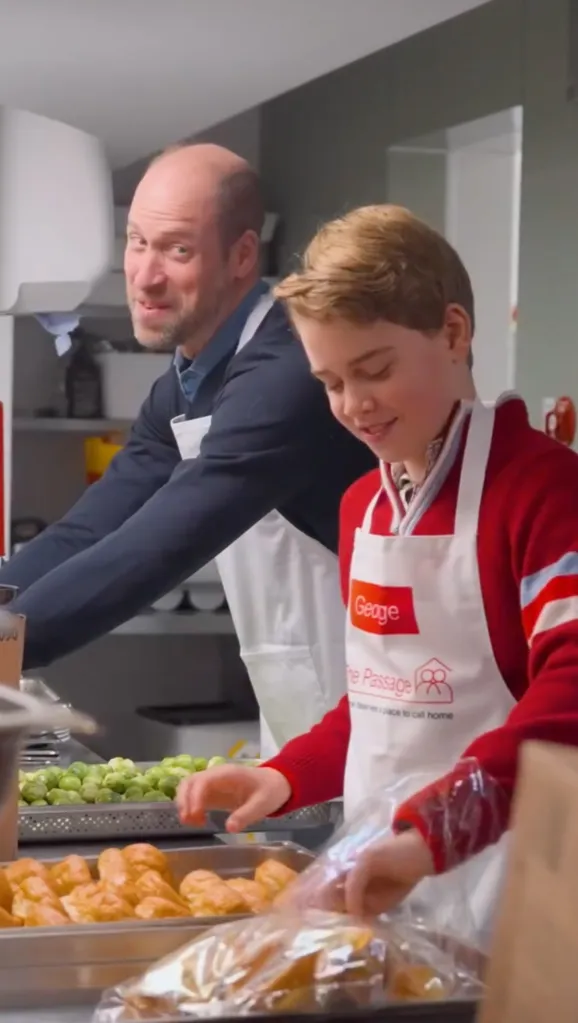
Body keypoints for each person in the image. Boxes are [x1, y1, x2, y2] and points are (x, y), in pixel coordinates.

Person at [177, 203, 578, 943]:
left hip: (515, 887)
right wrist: (290, 776)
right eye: (330, 382)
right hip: (383, 882)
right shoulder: (363, 506)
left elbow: (569, 698)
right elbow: (381, 704)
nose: (353, 406)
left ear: (453, 333)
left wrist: (434, 832)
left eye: (374, 371)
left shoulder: (545, 491)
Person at [0, 144, 375, 757]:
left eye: (178, 250)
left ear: (242, 256)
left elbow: (160, 542)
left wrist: (8, 646)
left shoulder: (289, 368)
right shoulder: (181, 384)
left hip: (386, 710)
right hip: (303, 715)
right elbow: (90, 531)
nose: (145, 276)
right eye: (136, 242)